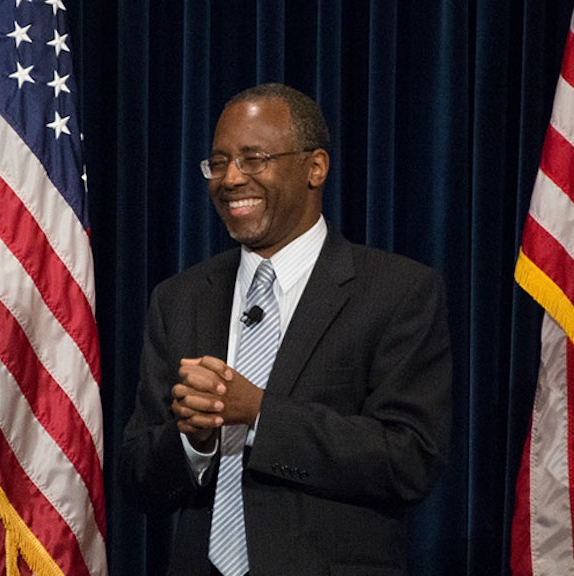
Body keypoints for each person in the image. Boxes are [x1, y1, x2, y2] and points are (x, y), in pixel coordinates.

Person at [117, 83, 452, 576]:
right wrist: (195, 441)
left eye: (253, 159)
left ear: (315, 167)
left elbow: (410, 459)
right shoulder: (179, 298)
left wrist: (259, 413)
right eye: (219, 162)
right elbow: (137, 477)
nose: (231, 178)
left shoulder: (397, 292)